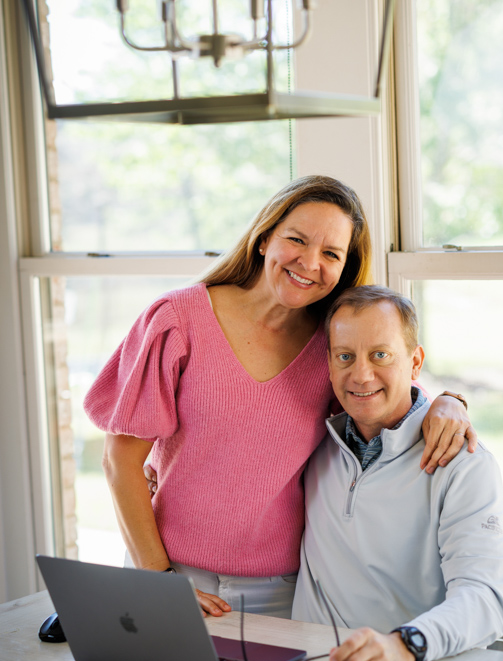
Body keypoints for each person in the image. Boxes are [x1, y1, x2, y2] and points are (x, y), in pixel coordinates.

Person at [84, 175, 475, 620]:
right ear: (264, 237)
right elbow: (120, 460)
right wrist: (159, 577)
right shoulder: (178, 320)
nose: (310, 262)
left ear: (344, 269)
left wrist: (448, 401)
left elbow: (384, 392)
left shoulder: (332, 347)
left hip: (281, 593)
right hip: (168, 574)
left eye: (331, 254)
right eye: (297, 240)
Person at [292, 285, 503, 661]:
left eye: (381, 355)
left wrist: (403, 646)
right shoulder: (312, 445)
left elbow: (485, 600)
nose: (361, 375)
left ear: (415, 362)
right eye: (345, 356)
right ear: (329, 365)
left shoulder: (463, 464)